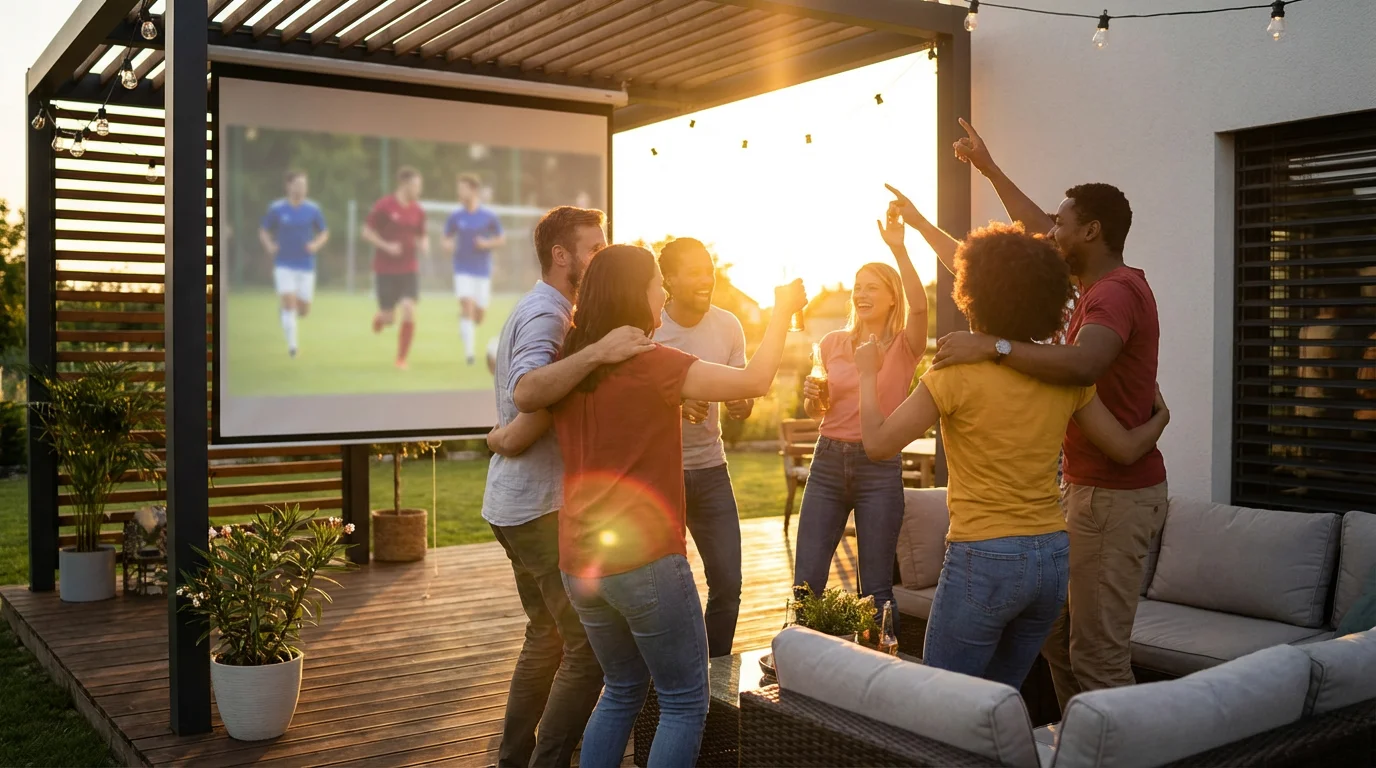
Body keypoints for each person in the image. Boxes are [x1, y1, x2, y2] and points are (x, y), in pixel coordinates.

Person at [498, 244, 807, 768]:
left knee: (621, 688)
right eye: (656, 284)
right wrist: (781, 312)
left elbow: (521, 421)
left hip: (580, 563)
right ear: (633, 293)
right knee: (684, 701)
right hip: (644, 561)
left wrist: (496, 438)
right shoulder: (654, 363)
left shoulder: (572, 368)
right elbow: (754, 381)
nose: (663, 293)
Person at [897, 119, 1169, 710]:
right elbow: (993, 269)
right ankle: (1078, 744)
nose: (1049, 230)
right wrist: (986, 170)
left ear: (1091, 231)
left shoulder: (1114, 291)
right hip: (1087, 487)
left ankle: (1126, 747)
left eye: (1061, 223)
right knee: (1059, 645)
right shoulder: (1086, 284)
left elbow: (1084, 364)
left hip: (1116, 494)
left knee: (1096, 657)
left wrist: (992, 346)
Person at [481, 206, 655, 768]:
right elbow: (530, 390)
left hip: (514, 503)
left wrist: (507, 437)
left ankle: (514, 759)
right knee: (588, 650)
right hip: (539, 508)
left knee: (546, 637)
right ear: (561, 255)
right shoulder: (549, 315)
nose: (601, 257)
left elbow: (533, 413)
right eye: (593, 248)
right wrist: (598, 351)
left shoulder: (545, 307)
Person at [792, 203, 928, 631]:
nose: (861, 294)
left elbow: (920, 308)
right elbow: (819, 409)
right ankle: (801, 658)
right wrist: (812, 398)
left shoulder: (905, 345)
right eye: (857, 287)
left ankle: (880, 660)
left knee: (876, 590)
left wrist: (899, 249)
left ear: (892, 297)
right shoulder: (832, 343)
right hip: (828, 462)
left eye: (872, 287)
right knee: (806, 584)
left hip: (878, 467)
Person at [653, 237, 751, 658]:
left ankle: (714, 671)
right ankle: (666, 678)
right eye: (694, 272)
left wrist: (741, 402)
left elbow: (740, 391)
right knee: (663, 590)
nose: (706, 279)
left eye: (708, 270)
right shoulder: (651, 327)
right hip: (660, 474)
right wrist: (675, 401)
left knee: (728, 584)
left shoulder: (728, 325)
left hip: (711, 470)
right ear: (669, 280)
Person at [362, 166, 429, 370]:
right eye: (416, 185)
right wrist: (386, 246)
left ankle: (401, 359)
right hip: (385, 270)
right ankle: (381, 318)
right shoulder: (384, 206)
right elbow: (366, 232)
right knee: (389, 318)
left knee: (409, 308)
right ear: (404, 184)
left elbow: (422, 235)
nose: (419, 190)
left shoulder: (418, 210)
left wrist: (424, 245)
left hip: (409, 268)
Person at [258, 170, 327, 359]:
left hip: (306, 265)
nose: (301, 188)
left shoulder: (313, 209)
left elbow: (324, 232)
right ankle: (293, 347)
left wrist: (315, 245)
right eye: (298, 184)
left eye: (304, 185)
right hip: (284, 264)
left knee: (303, 311)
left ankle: (285, 311)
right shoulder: (277, 208)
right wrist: (270, 246)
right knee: (290, 305)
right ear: (288, 186)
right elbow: (263, 230)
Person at [445, 173, 506, 366]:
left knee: (479, 315)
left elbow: (501, 239)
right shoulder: (456, 216)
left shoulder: (488, 216)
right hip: (462, 269)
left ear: (473, 190)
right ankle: (470, 354)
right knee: (467, 306)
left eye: (463, 188)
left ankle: (465, 323)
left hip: (482, 271)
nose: (460, 192)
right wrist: (447, 245)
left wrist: (486, 244)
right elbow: (446, 237)